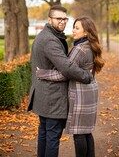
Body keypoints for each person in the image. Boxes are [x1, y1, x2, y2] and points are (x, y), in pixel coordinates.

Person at [27, 6, 93, 157]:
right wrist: (86, 76)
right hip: (52, 98)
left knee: (45, 134)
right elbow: (67, 67)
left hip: (45, 96)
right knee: (52, 138)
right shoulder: (50, 39)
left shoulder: (46, 35)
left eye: (64, 19)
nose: (62, 22)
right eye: (58, 19)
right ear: (49, 20)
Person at [36, 16, 105, 157]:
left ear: (86, 32)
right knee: (86, 131)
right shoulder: (90, 46)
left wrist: (43, 73)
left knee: (79, 133)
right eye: (73, 27)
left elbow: (64, 73)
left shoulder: (79, 49)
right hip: (90, 91)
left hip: (80, 94)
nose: (73, 30)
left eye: (77, 28)